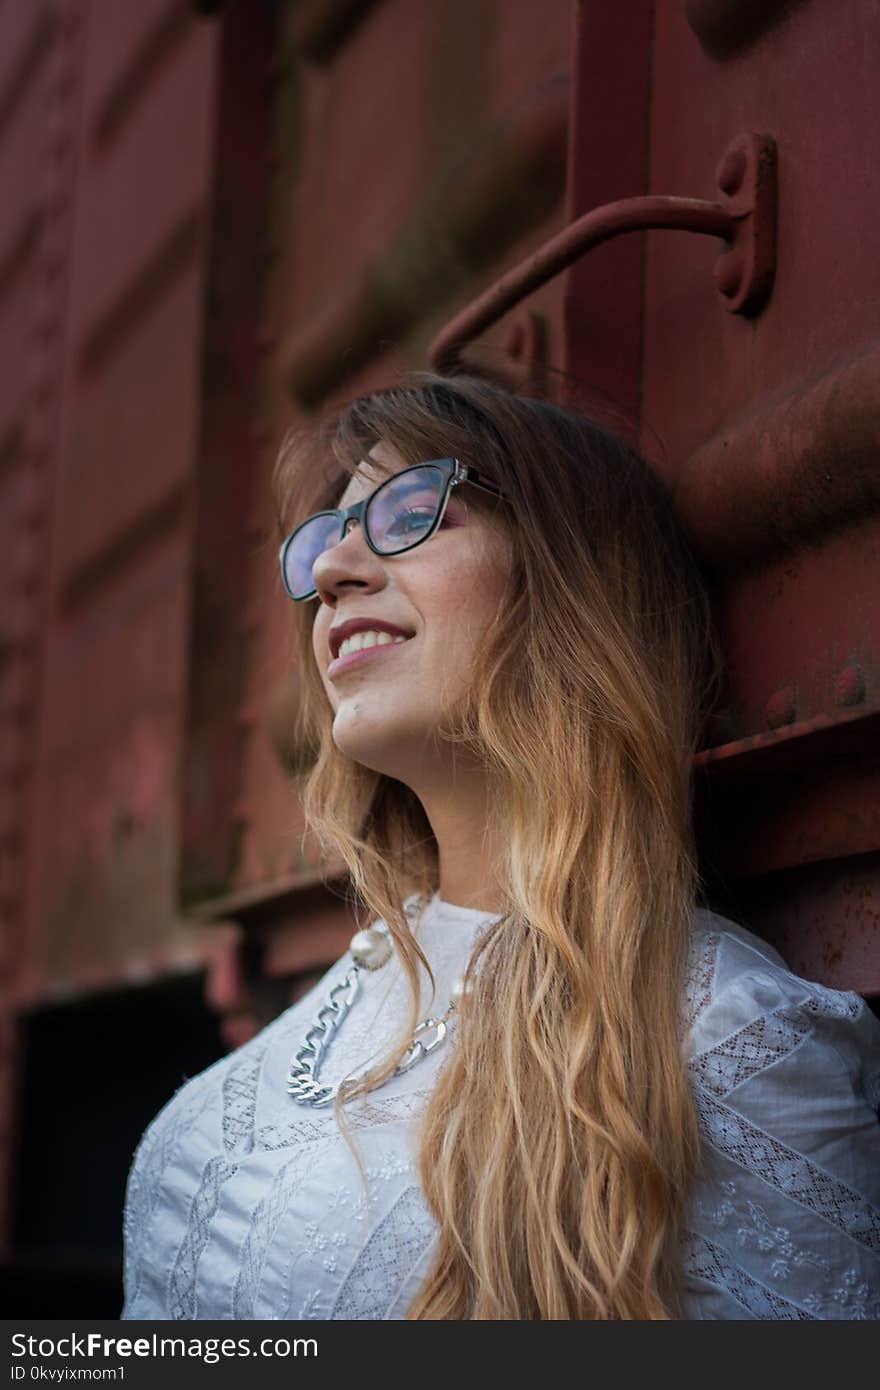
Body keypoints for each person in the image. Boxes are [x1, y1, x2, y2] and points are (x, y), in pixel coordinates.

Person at [121, 371, 880, 1320]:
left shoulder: (725, 1037)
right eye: (326, 541)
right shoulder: (367, 968)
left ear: (567, 581)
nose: (329, 575)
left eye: (409, 512)